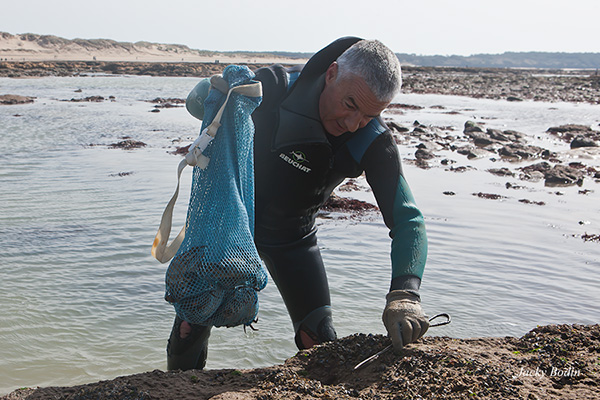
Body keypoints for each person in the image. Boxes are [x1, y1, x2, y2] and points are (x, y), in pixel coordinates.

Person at [167, 37, 429, 370]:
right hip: (226, 228)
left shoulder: (373, 141)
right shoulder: (273, 89)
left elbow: (408, 221)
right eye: (350, 104)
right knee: (189, 327)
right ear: (331, 73)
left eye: (367, 115)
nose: (352, 124)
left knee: (319, 338)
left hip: (292, 239)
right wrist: (221, 88)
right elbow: (195, 103)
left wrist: (405, 295)